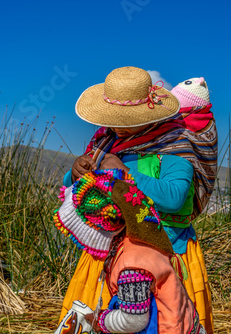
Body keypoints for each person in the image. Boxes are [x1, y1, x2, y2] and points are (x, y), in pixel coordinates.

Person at [58, 66, 217, 333]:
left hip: (159, 254)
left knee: (162, 322)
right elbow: (82, 188)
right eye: (114, 118)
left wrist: (124, 172)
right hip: (107, 253)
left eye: (128, 119)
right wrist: (73, 174)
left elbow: (175, 198)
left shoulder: (174, 144)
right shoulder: (106, 142)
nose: (118, 126)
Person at [55, 169, 205, 333]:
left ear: (102, 227)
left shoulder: (131, 264)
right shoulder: (142, 241)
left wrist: (101, 321)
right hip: (184, 324)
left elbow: (133, 320)